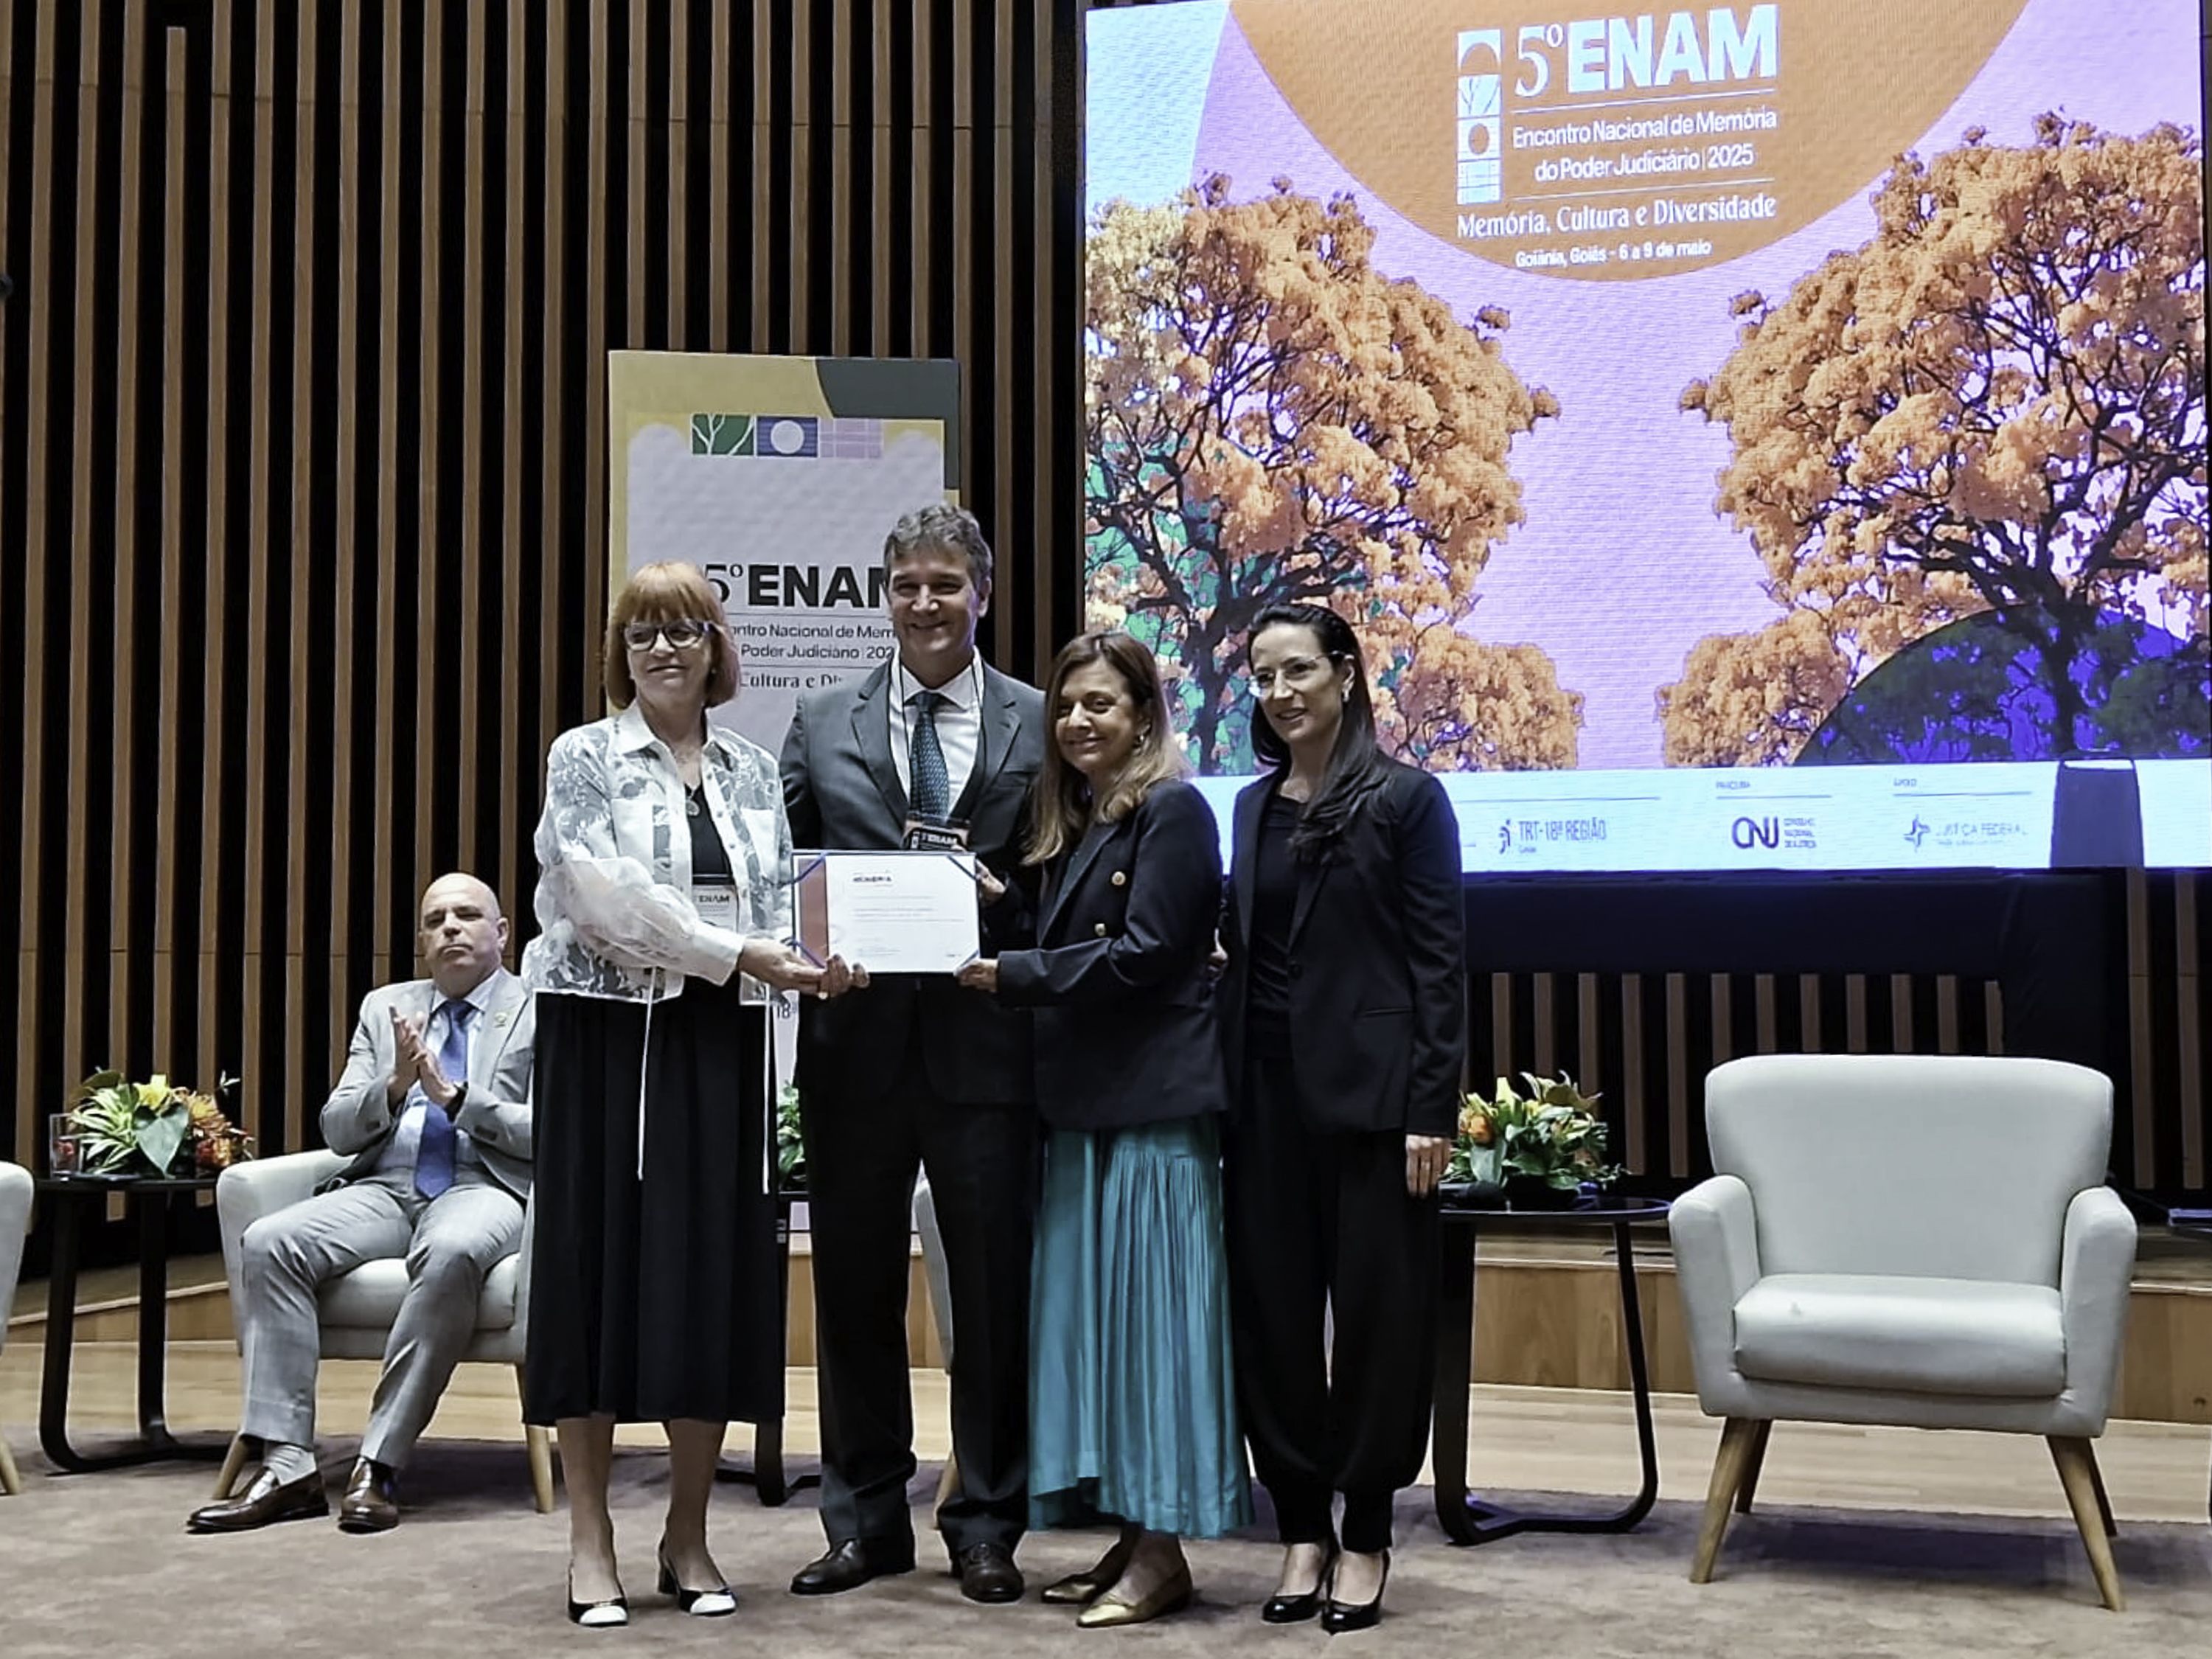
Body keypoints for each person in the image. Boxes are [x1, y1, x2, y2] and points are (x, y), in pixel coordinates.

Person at [522, 562, 855, 1629]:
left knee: (708, 1271)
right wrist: (744, 953)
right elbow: (603, 898)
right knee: (596, 1272)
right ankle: (590, 1539)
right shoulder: (584, 757)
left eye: (683, 630)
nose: (662, 649)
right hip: (608, 1034)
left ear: (717, 645)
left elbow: (782, 904)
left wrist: (819, 962)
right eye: (641, 634)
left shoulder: (757, 769)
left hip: (722, 1042)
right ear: (621, 653)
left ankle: (689, 1533)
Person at [779, 503, 1046, 1604]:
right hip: (854, 1048)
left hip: (986, 1049)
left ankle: (985, 1519)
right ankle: (866, 1519)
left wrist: (1008, 904)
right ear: (882, 595)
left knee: (989, 1300)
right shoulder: (820, 718)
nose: (926, 603)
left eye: (947, 583)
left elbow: (1061, 880)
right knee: (851, 1297)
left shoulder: (1041, 720)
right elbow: (785, 868)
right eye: (907, 585)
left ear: (981, 592)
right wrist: (808, 945)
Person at [956, 630, 1250, 1627]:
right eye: (1068, 705)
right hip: (1086, 1113)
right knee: (1106, 1336)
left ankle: (1162, 1551)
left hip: (1154, 1117)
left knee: (1152, 1334)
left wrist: (1021, 974)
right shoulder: (1081, 822)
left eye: (1102, 705)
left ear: (1145, 716)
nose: (1080, 719)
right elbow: (1081, 941)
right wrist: (996, 912)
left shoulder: (1173, 810)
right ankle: (1134, 1535)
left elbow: (1152, 953)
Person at [1219, 602, 1467, 1634]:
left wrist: (1430, 1107)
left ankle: (1366, 1531)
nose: (1278, 694)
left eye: (1295, 672)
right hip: (1261, 1096)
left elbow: (1438, 965)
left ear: (1345, 671)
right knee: (1274, 1321)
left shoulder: (1408, 800)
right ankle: (1301, 1525)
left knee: (1376, 1321)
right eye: (1262, 678)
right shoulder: (1250, 805)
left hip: (1376, 1104)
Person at [187, 872, 535, 1537]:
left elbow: (555, 1130)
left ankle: (379, 1461)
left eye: (467, 915)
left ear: (502, 933)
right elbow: (338, 1128)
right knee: (268, 1241)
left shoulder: (538, 1006)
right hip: (386, 1185)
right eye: (436, 920)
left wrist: (459, 1101)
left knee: (455, 1249)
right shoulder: (387, 1008)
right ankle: (287, 1463)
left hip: (483, 1185)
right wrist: (398, 1085)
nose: (451, 929)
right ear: (423, 941)